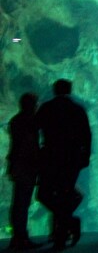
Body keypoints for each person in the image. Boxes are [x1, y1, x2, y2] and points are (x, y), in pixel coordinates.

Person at [36, 79, 92, 251]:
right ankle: (69, 222)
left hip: (51, 157)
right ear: (70, 90)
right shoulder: (78, 109)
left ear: (54, 90)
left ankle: (61, 235)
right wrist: (85, 156)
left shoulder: (46, 108)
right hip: (72, 158)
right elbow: (87, 135)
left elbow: (35, 128)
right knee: (66, 193)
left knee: (45, 194)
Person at [6, 92, 43, 250]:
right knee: (22, 203)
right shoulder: (30, 121)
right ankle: (21, 238)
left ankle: (17, 237)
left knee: (18, 203)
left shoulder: (15, 120)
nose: (37, 106)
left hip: (17, 165)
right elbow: (28, 146)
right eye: (35, 104)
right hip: (26, 167)